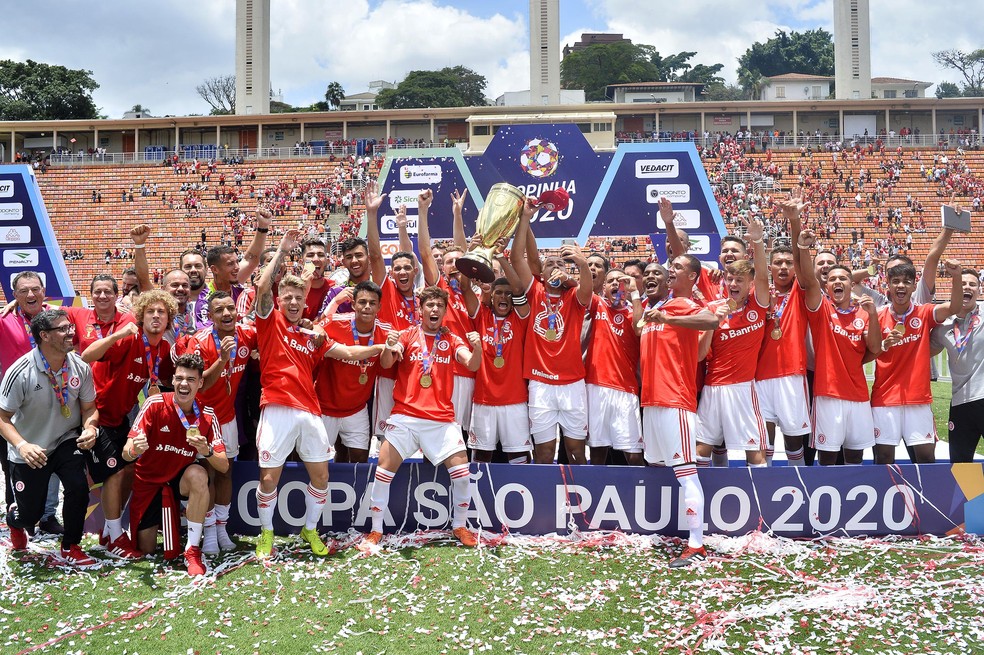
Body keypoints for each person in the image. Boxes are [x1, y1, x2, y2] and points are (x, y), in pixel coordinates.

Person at [252, 229, 386, 559]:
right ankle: (265, 533)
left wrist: (382, 346)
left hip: (310, 411)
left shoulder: (314, 335)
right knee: (269, 479)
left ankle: (310, 529)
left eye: (299, 298)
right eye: (289, 298)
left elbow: (350, 353)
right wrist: (283, 251)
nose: (294, 302)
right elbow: (260, 289)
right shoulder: (270, 323)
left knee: (322, 475)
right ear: (281, 301)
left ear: (304, 302)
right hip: (277, 408)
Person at [366, 285, 482, 547]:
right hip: (405, 416)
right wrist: (389, 347)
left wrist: (477, 349)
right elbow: (386, 363)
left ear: (444, 311)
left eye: (439, 306)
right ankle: (375, 530)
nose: (434, 309)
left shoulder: (452, 339)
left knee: (462, 473)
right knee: (383, 470)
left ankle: (460, 526)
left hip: (440, 420)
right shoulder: (407, 335)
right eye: (429, 305)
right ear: (420, 310)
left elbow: (471, 364)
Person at [81, 290, 178, 559]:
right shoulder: (130, 337)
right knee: (114, 473)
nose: (156, 316)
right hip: (96, 414)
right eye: (151, 312)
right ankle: (113, 537)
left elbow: (172, 383)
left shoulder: (165, 349)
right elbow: (86, 356)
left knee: (131, 467)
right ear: (141, 317)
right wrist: (114, 336)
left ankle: (110, 530)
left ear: (169, 319)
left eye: (162, 312)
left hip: (120, 417)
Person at [0, 309, 99, 566]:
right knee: (29, 514)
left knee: (78, 487)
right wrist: (22, 446)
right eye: (63, 329)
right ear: (44, 335)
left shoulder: (80, 366)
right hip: (31, 448)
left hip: (66, 439)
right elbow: (2, 418)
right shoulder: (19, 372)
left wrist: (90, 428)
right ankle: (15, 519)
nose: (71, 332)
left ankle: (70, 545)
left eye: (70, 327)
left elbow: (89, 408)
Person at [636, 257, 718, 567]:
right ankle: (671, 530)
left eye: (674, 268)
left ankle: (696, 544)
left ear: (692, 276)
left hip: (675, 402)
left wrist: (669, 320)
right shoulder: (656, 309)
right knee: (660, 465)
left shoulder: (682, 304)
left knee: (686, 474)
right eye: (654, 272)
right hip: (653, 402)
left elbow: (711, 320)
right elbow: (696, 354)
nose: (668, 271)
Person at [122, 353, 228, 576]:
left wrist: (206, 451)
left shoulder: (207, 415)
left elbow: (224, 466)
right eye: (179, 378)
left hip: (178, 480)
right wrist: (135, 450)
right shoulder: (154, 403)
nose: (183, 384)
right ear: (172, 380)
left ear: (200, 383)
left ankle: (192, 550)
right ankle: (164, 528)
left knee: (200, 474)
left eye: (190, 379)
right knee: (147, 548)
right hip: (148, 481)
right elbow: (126, 453)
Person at [510, 199, 594, 464]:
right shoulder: (534, 291)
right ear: (542, 274)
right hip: (541, 383)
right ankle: (544, 502)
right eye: (549, 263)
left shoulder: (573, 297)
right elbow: (516, 258)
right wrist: (525, 218)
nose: (555, 265)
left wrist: (581, 265)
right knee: (544, 452)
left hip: (572, 383)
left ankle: (582, 501)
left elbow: (588, 291)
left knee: (576, 451)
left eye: (561, 262)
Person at [174, 291, 257, 552]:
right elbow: (201, 383)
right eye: (219, 310)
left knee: (225, 472)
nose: (227, 314)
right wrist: (222, 359)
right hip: (202, 419)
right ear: (210, 316)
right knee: (206, 474)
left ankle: (222, 528)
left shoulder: (247, 334)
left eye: (230, 308)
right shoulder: (199, 342)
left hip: (228, 418)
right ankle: (208, 532)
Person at [793, 226, 882, 465]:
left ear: (852, 285)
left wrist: (873, 316)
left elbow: (875, 347)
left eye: (843, 278)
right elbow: (810, 282)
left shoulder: (863, 313)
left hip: (858, 395)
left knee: (855, 455)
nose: (837, 281)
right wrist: (803, 247)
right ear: (828, 287)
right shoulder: (821, 309)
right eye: (832, 279)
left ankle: (851, 499)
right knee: (828, 456)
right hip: (828, 394)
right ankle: (826, 501)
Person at [696, 219, 771, 467]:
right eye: (730, 279)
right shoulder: (712, 308)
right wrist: (710, 326)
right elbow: (699, 355)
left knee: (755, 453)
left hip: (742, 389)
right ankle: (701, 500)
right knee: (701, 450)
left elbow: (762, 276)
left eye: (740, 280)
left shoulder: (757, 306)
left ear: (749, 283)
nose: (734, 284)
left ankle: (759, 501)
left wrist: (757, 241)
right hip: (713, 387)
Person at [870, 260, 961, 464]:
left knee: (926, 457)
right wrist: (884, 344)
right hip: (884, 398)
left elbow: (955, 306)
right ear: (888, 285)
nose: (901, 286)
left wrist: (956, 276)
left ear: (913, 285)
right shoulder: (877, 316)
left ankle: (924, 497)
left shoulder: (924, 312)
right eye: (895, 281)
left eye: (906, 282)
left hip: (918, 398)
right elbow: (868, 351)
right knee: (883, 457)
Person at [461, 250, 531, 463]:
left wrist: (502, 258)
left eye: (508, 294)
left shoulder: (520, 318)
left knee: (518, 456)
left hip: (515, 400)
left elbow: (518, 287)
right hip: (484, 400)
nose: (504, 297)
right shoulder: (481, 315)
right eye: (499, 292)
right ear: (491, 297)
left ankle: (524, 491)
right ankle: (478, 495)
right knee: (482, 456)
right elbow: (464, 288)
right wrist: (470, 257)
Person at [314, 281, 389, 463]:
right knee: (315, 459)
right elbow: (315, 328)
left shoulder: (386, 331)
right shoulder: (335, 322)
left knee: (359, 459)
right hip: (324, 408)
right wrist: (317, 329)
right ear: (353, 304)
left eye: (372, 303)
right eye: (362, 302)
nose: (367, 307)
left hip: (356, 410)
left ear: (379, 306)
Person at [585, 268, 644, 465]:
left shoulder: (635, 310)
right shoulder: (598, 304)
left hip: (625, 388)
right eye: (611, 281)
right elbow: (580, 289)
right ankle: (594, 491)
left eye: (620, 281)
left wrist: (634, 293)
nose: (615, 284)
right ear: (603, 287)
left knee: (634, 453)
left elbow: (639, 329)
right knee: (598, 450)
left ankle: (638, 491)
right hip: (596, 385)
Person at [931, 269, 984, 462]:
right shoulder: (942, 328)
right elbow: (920, 351)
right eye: (962, 284)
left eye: (972, 284)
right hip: (960, 404)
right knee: (960, 466)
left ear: (979, 290)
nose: (967, 288)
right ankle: (974, 495)